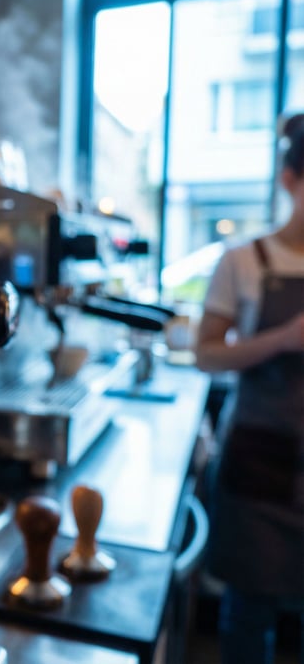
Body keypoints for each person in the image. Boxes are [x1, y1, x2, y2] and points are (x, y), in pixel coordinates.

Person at [195, 112, 304, 664]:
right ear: (289, 180)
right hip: (260, 460)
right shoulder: (243, 261)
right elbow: (206, 353)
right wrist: (284, 338)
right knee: (247, 615)